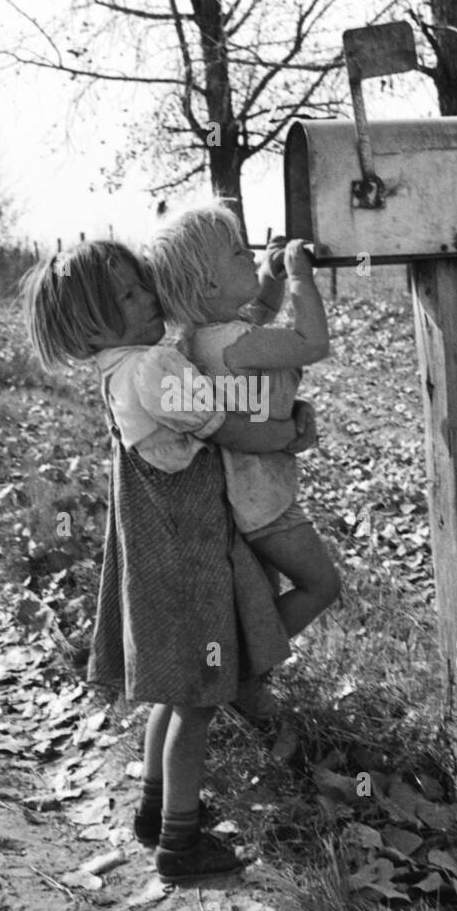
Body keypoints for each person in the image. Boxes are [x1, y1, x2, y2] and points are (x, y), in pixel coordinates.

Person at [19, 240, 314, 882]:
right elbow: (225, 427)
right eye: (128, 295)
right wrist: (287, 434)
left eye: (143, 285)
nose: (149, 297)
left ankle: (153, 810)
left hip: (161, 548)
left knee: (174, 692)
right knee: (198, 702)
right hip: (189, 551)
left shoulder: (120, 369)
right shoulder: (152, 368)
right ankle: (180, 846)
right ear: (90, 325)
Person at [147, 206, 341, 658]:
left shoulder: (204, 338)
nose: (249, 254)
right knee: (321, 584)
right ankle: (246, 665)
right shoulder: (238, 343)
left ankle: (247, 682)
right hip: (263, 502)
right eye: (239, 252)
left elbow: (259, 310)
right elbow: (313, 344)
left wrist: (269, 278)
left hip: (240, 495)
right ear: (211, 285)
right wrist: (299, 279)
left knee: (260, 598)